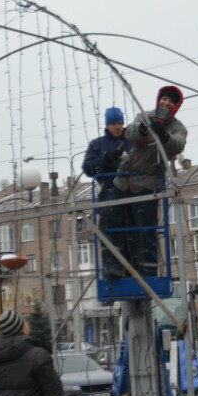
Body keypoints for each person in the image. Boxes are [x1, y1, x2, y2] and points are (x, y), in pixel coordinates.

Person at [117, 85, 188, 275]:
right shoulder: (144, 117)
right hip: (124, 181)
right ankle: (123, 269)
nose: (165, 102)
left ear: (175, 105)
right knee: (121, 228)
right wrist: (144, 129)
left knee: (145, 231)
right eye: (163, 99)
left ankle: (147, 272)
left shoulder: (177, 128)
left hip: (148, 184)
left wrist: (163, 136)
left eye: (170, 101)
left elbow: (177, 145)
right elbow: (130, 134)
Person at [81, 107, 134, 279]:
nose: (117, 127)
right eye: (113, 124)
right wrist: (107, 158)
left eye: (120, 123)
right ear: (107, 125)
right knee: (110, 229)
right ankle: (113, 266)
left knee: (134, 231)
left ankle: (135, 267)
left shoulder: (133, 141)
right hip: (110, 193)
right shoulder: (98, 145)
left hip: (134, 192)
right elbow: (88, 168)